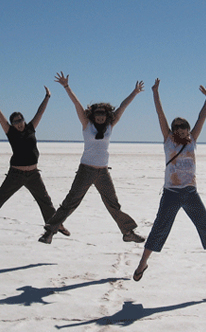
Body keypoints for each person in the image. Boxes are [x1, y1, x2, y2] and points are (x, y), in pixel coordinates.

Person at [132, 79, 206, 282]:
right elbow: (160, 114)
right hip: (171, 193)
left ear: (188, 128)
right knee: (160, 228)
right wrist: (155, 93)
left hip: (190, 192)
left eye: (183, 126)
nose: (180, 129)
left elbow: (201, 118)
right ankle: (143, 263)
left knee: (204, 224)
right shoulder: (168, 140)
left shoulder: (192, 140)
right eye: (176, 126)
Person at [38, 72, 145, 245]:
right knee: (71, 202)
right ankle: (49, 232)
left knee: (113, 204)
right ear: (93, 115)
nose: (101, 116)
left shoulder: (110, 125)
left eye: (103, 114)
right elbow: (77, 104)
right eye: (98, 114)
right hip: (86, 170)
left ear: (107, 114)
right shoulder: (87, 125)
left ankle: (128, 232)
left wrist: (134, 92)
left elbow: (123, 107)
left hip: (103, 172)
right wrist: (66, 86)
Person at [0, 84, 69, 239]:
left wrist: (47, 97)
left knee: (45, 200)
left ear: (24, 120)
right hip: (16, 174)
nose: (19, 123)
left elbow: (40, 112)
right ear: (11, 124)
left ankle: (56, 225)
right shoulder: (10, 132)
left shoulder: (31, 128)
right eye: (15, 122)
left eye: (20, 120)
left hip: (33, 174)